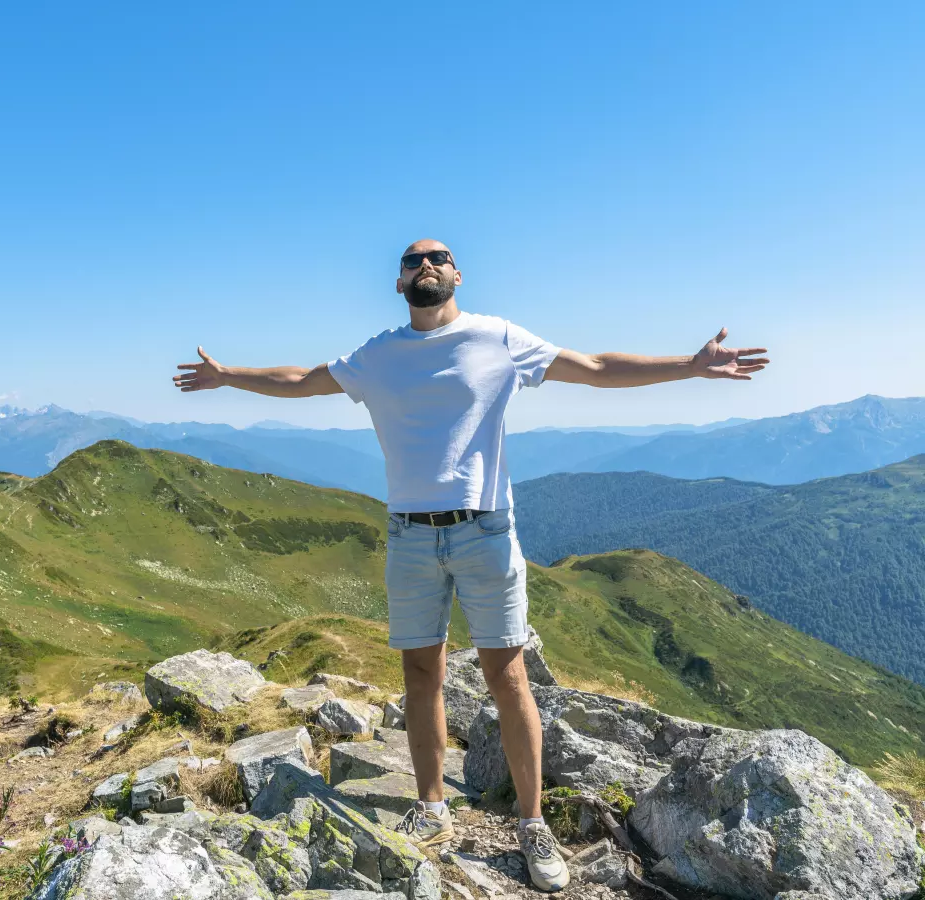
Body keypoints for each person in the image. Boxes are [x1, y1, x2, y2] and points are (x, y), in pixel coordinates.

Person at [172, 238, 769, 892]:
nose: (425, 265)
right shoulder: (378, 354)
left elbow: (595, 367)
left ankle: (532, 823)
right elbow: (303, 381)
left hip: (486, 530)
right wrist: (230, 376)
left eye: (438, 257)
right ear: (400, 284)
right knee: (420, 671)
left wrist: (689, 364)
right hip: (409, 535)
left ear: (457, 274)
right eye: (412, 260)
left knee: (506, 674)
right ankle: (431, 808)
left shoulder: (497, 339)